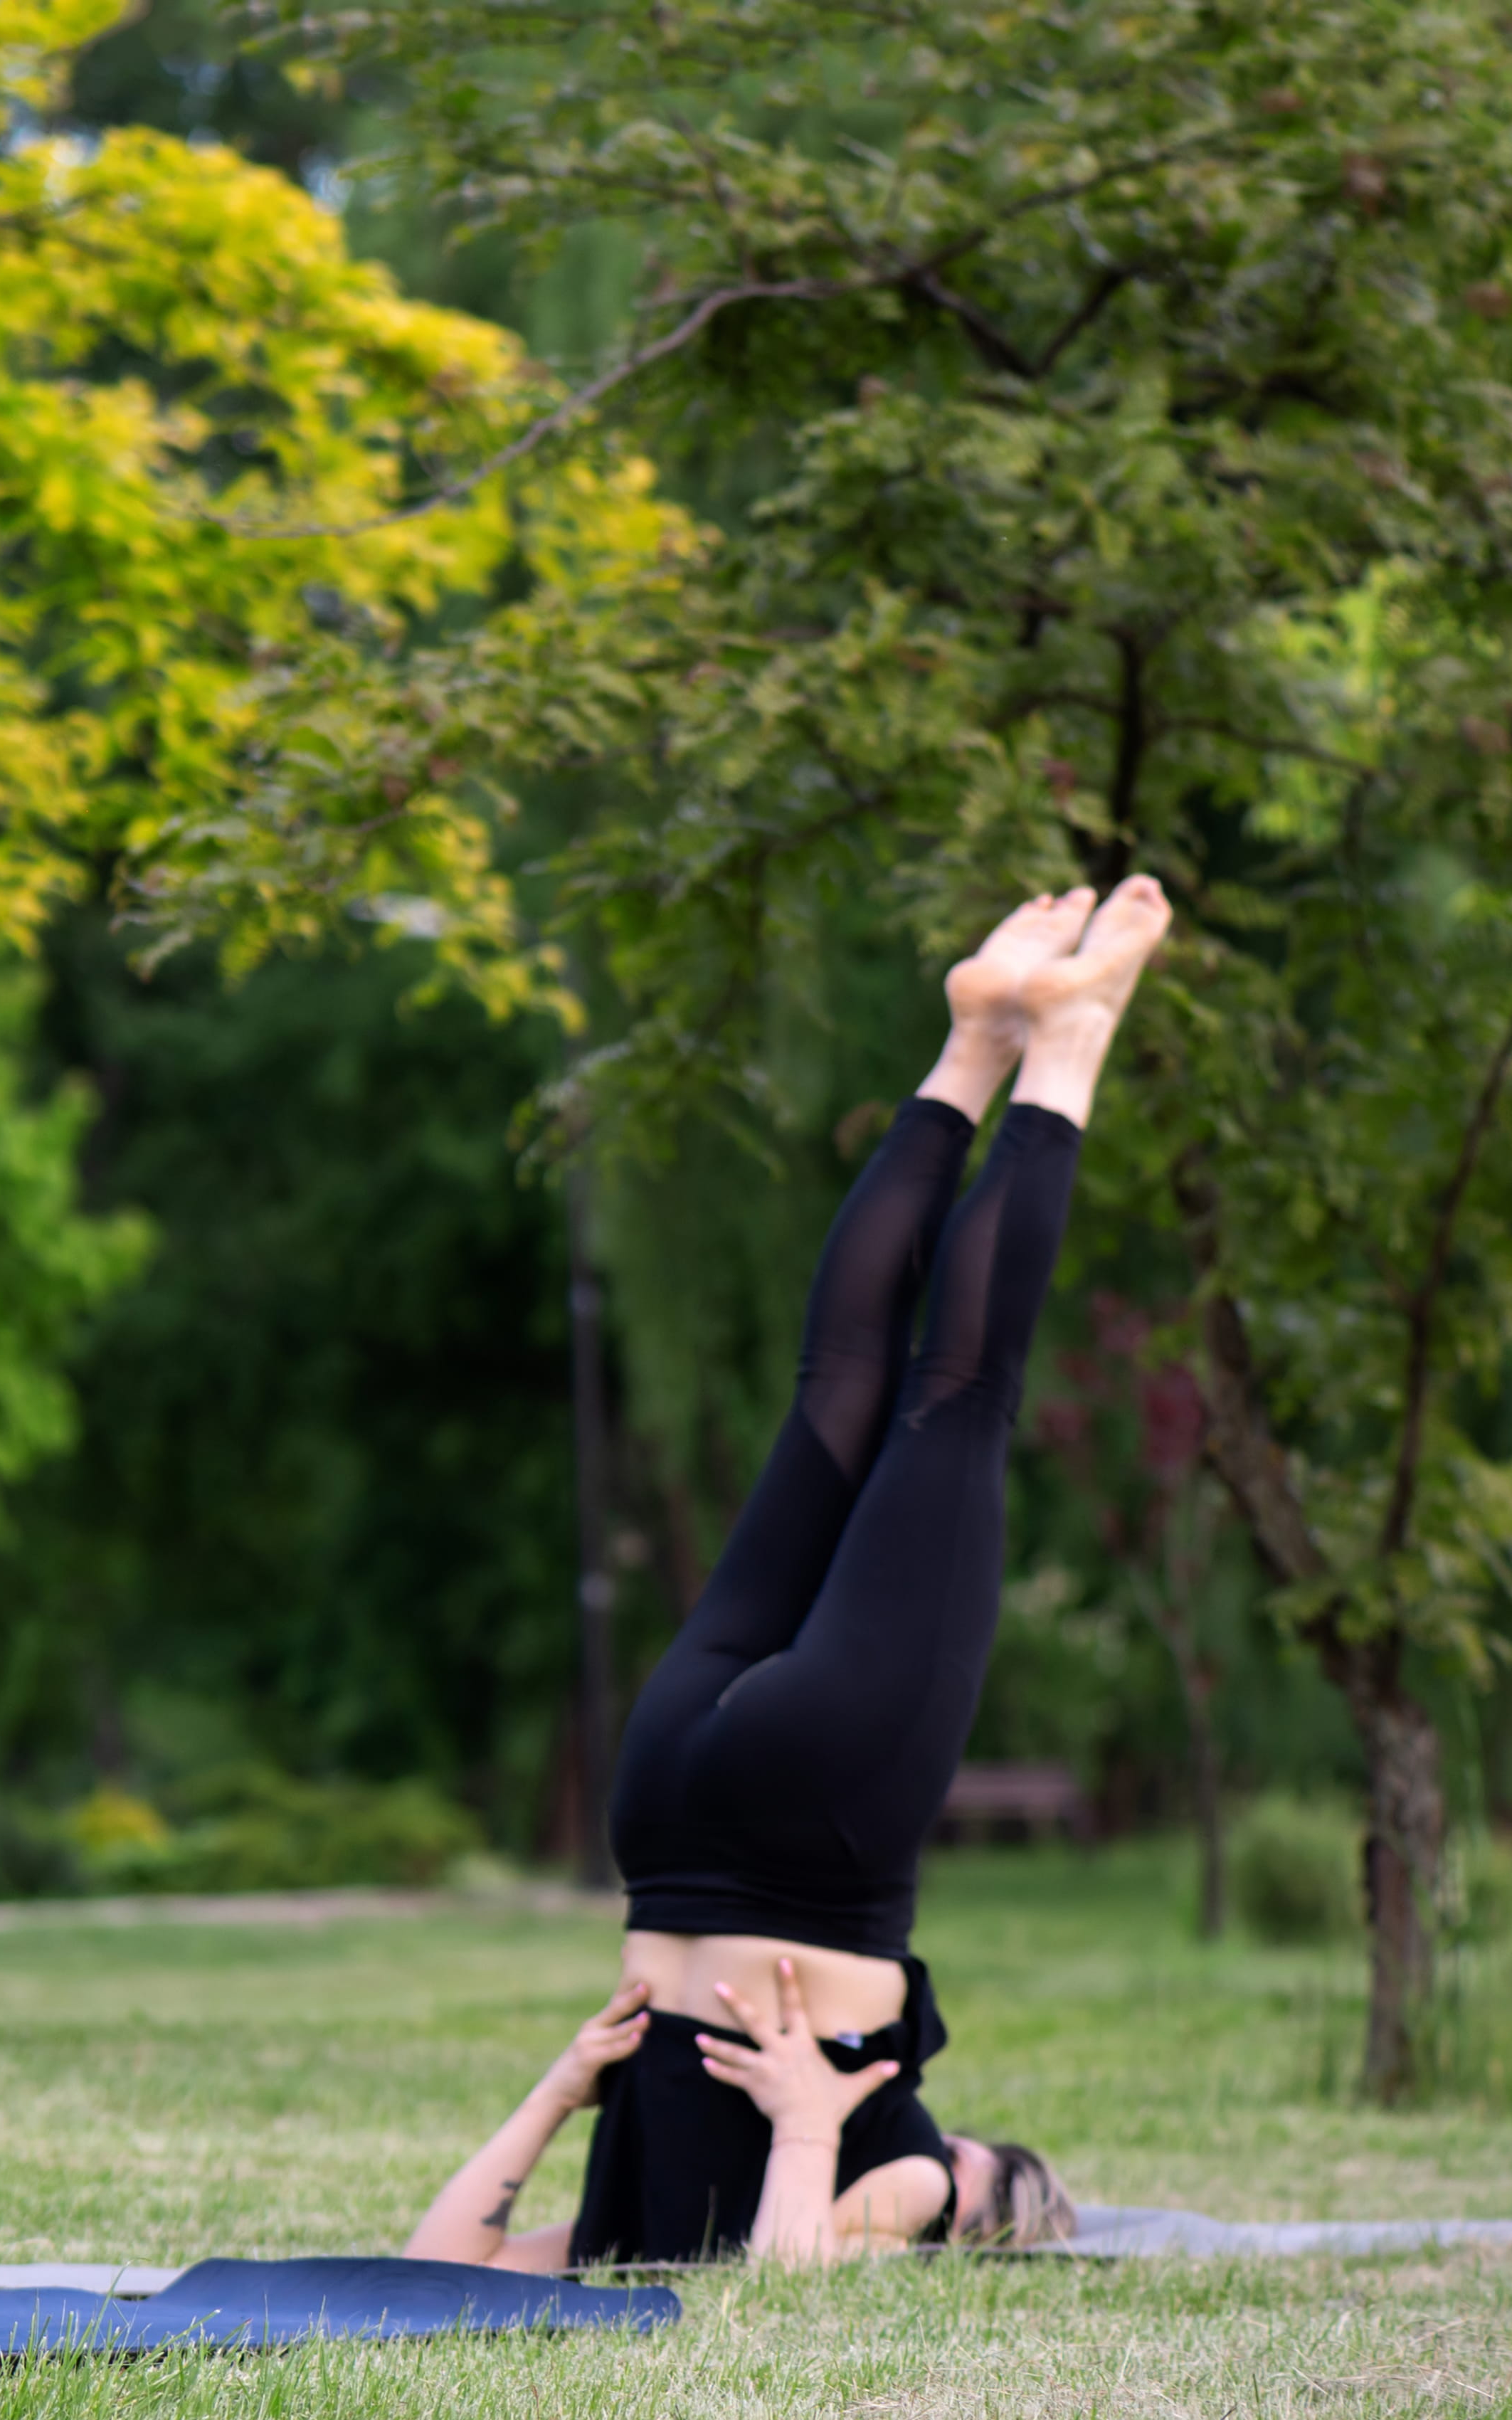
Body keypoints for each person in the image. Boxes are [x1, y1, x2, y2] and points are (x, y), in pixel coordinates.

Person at [403, 877, 1174, 2270]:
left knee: (942, 1398)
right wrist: (810, 2129)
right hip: (673, 1796)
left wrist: (570, 2092)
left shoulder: (882, 2163)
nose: (950, 2160)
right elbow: (469, 2267)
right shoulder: (890, 2181)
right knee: (842, 1391)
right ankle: (973, 1042)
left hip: (804, 1813)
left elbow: (444, 2279)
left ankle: (1043, 1049)